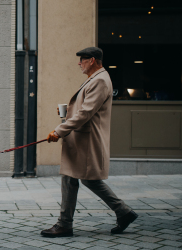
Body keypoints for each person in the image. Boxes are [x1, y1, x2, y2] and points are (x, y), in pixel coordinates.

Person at [41, 47, 137, 237]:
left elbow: (85, 113)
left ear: (92, 60)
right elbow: (82, 109)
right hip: (81, 138)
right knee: (73, 177)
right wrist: (66, 114)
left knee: (87, 179)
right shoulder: (96, 79)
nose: (79, 63)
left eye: (82, 60)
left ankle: (68, 224)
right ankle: (68, 223)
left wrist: (59, 131)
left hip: (87, 140)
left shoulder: (100, 80)